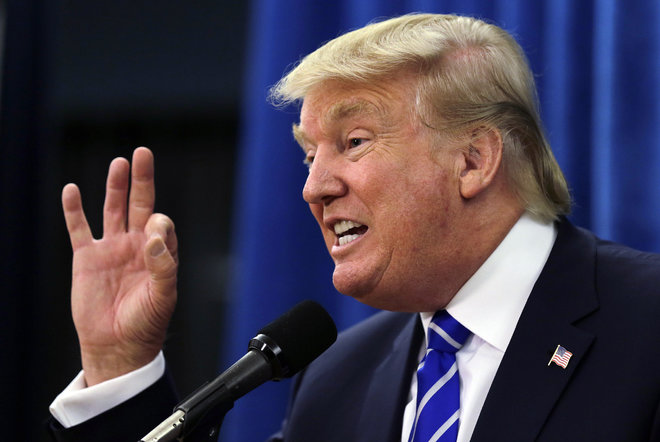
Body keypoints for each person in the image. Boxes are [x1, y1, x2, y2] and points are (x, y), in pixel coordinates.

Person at [48, 13, 660, 442]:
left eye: (355, 141)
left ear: (474, 159)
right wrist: (120, 363)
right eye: (310, 155)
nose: (314, 188)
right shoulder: (337, 381)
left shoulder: (646, 324)